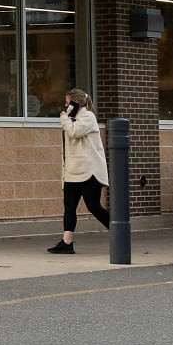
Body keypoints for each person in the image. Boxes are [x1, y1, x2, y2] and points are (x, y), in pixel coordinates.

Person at [47, 88, 110, 254]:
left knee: (93, 206)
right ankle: (66, 243)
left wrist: (63, 118)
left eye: (68, 103)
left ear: (76, 103)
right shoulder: (72, 118)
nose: (65, 106)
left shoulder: (88, 117)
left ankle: (119, 232)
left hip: (89, 171)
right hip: (73, 171)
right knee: (69, 207)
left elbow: (75, 132)